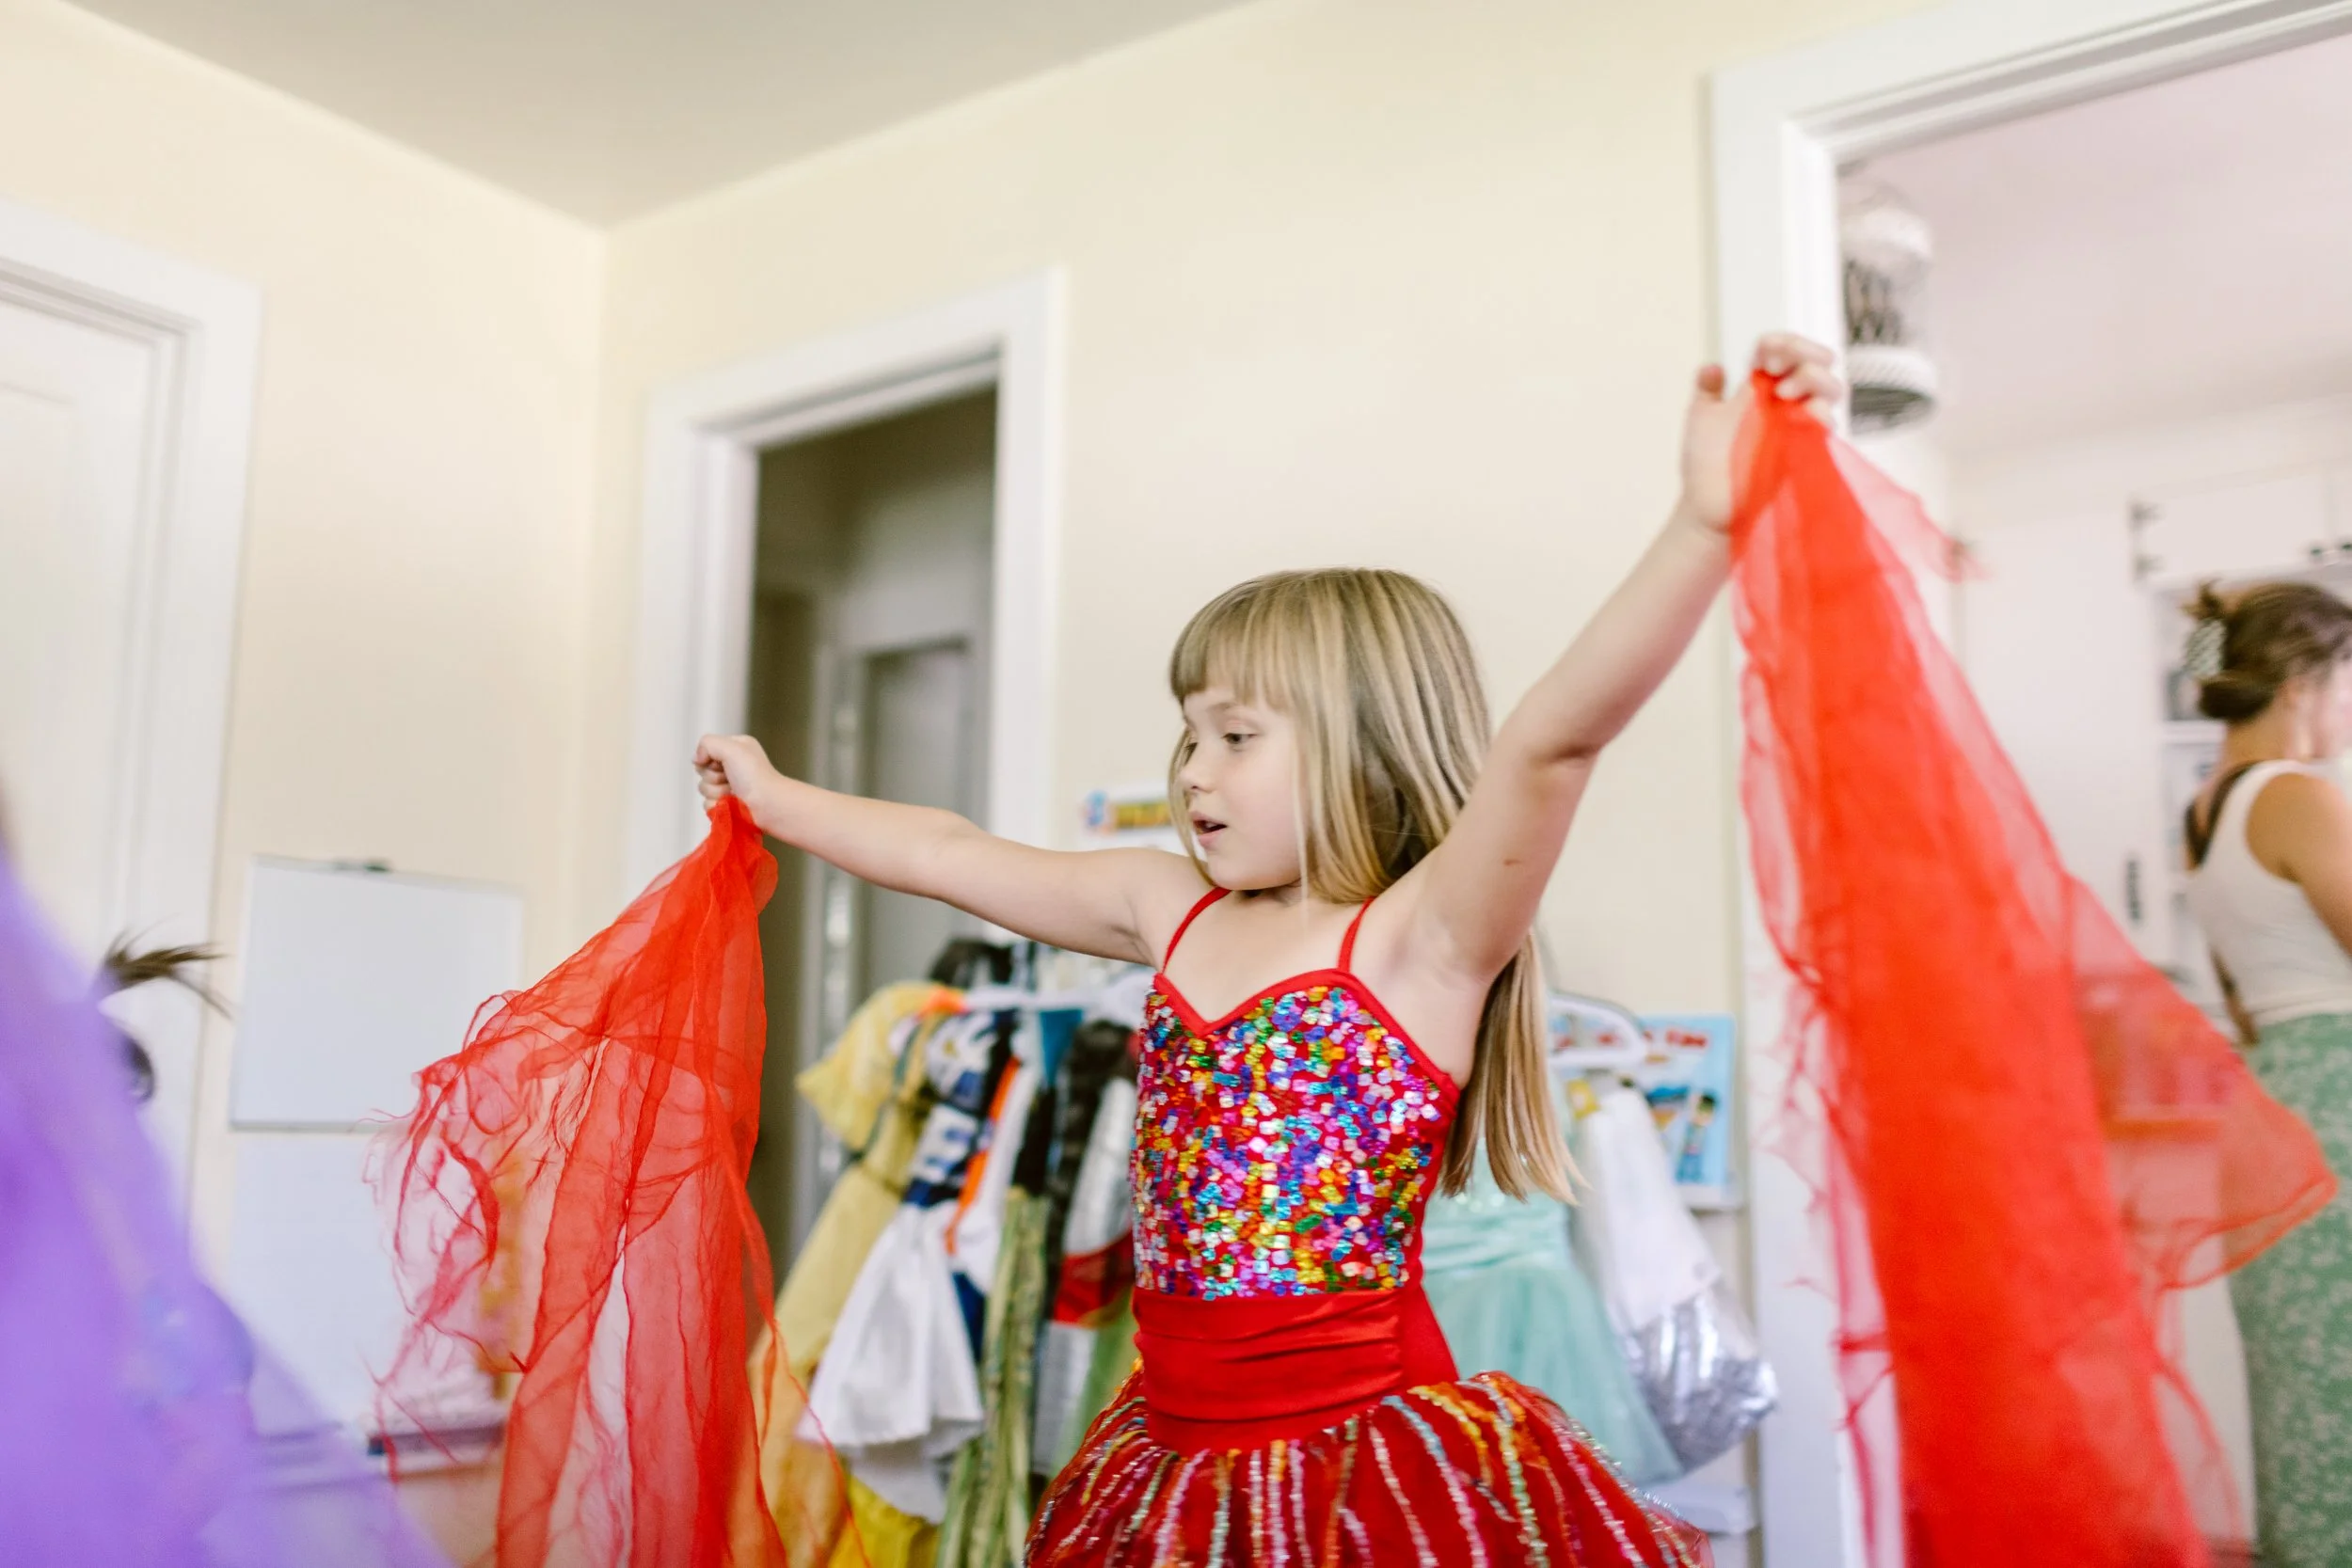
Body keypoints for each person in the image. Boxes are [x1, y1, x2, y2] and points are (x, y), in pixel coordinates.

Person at [695, 334, 1841, 1564]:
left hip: (1359, 1466)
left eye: (1235, 733)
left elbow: (1550, 742)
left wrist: (1702, 529)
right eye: (1187, 735)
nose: (1194, 769)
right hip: (1170, 1453)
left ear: (1364, 738)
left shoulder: (1425, 937)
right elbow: (951, 849)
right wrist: (780, 797)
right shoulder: (1164, 907)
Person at [2182, 580, 2352, 1568]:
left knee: (2306, 1392)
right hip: (2338, 1100)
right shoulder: (2297, 795)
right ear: (2304, 679)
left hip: (2272, 1102)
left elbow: (2245, 1001)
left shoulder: (2204, 814)